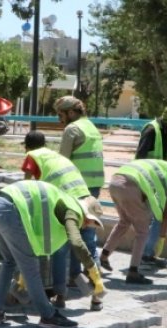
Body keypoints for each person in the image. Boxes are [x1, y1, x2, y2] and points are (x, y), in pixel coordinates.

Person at [0, 180, 105, 328]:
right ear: (87, 214)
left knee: (10, 261)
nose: (86, 226)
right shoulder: (72, 211)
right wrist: (93, 270)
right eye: (89, 223)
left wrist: (23, 272)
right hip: (9, 210)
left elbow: (37, 235)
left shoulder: (64, 201)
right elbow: (76, 242)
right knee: (31, 268)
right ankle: (48, 316)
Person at [20, 131, 105, 311]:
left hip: (67, 203)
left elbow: (25, 186)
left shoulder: (32, 155)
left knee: (60, 248)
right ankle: (96, 294)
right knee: (86, 248)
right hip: (86, 200)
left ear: (27, 146)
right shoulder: (55, 156)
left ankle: (60, 296)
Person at [123, 107, 167, 270]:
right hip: (148, 180)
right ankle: (145, 255)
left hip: (159, 180)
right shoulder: (151, 130)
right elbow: (140, 156)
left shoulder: (166, 131)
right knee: (152, 217)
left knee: (157, 216)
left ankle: (147, 253)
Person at [98, 159, 167, 284]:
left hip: (115, 182)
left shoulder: (163, 167)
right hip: (130, 186)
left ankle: (103, 257)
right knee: (142, 232)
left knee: (124, 222)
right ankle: (133, 272)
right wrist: (161, 239)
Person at [53, 96, 105, 280]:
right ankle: (85, 278)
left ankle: (87, 278)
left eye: (62, 114)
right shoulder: (91, 126)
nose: (60, 119)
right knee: (87, 232)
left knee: (73, 233)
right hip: (94, 187)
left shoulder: (72, 129)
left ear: (71, 112)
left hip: (76, 188)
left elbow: (63, 161)